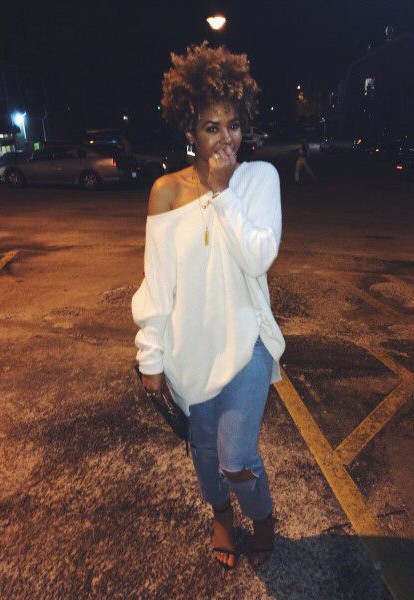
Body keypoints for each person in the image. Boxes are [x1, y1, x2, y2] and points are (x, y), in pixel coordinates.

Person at [131, 42, 285, 570]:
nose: (226, 139)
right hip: (190, 352)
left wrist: (223, 193)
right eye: (211, 127)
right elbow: (158, 283)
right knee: (204, 454)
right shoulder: (165, 193)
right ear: (189, 131)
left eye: (233, 125)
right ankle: (221, 515)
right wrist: (151, 357)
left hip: (247, 343)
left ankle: (262, 517)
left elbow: (259, 257)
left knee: (236, 457)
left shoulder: (258, 180)